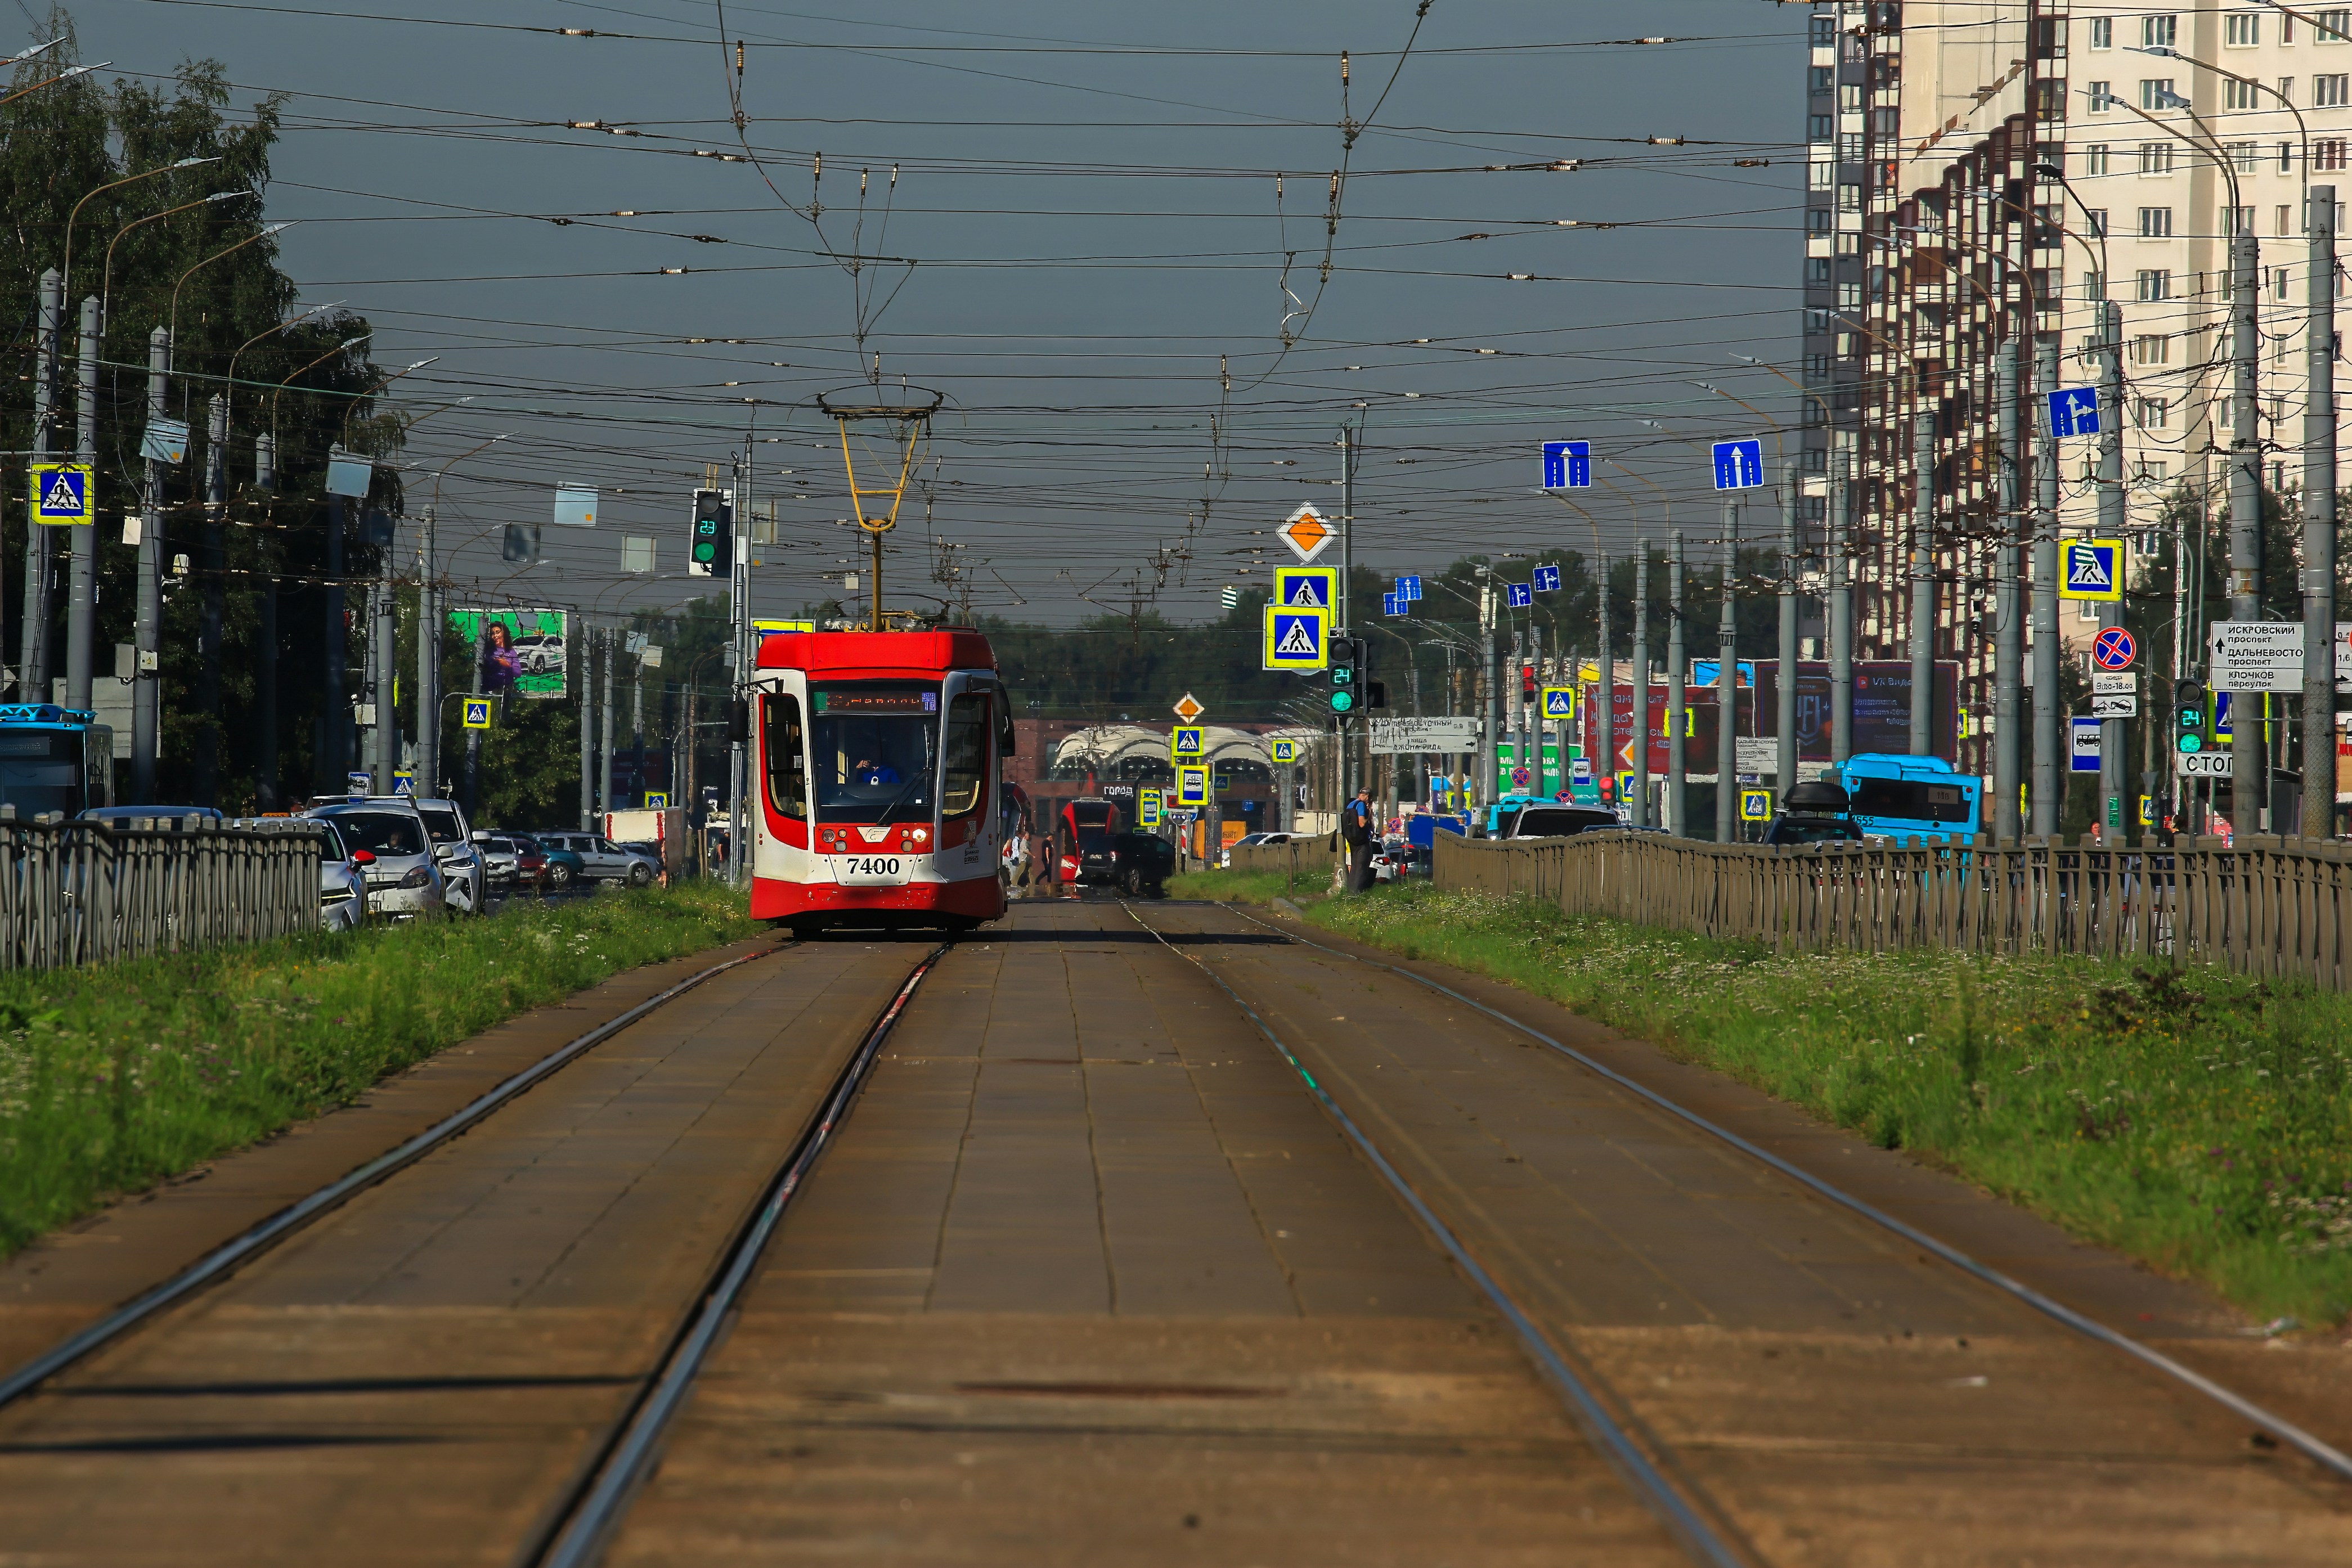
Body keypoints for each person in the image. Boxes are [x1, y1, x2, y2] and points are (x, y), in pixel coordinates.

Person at [1341, 787, 1375, 892]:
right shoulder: (1361, 805)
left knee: (1354, 864)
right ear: (1368, 797)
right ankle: (1357, 892)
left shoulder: (1351, 805)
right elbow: (1362, 823)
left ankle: (1350, 890)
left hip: (1351, 839)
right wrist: (1369, 814)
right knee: (1361, 865)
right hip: (1361, 840)